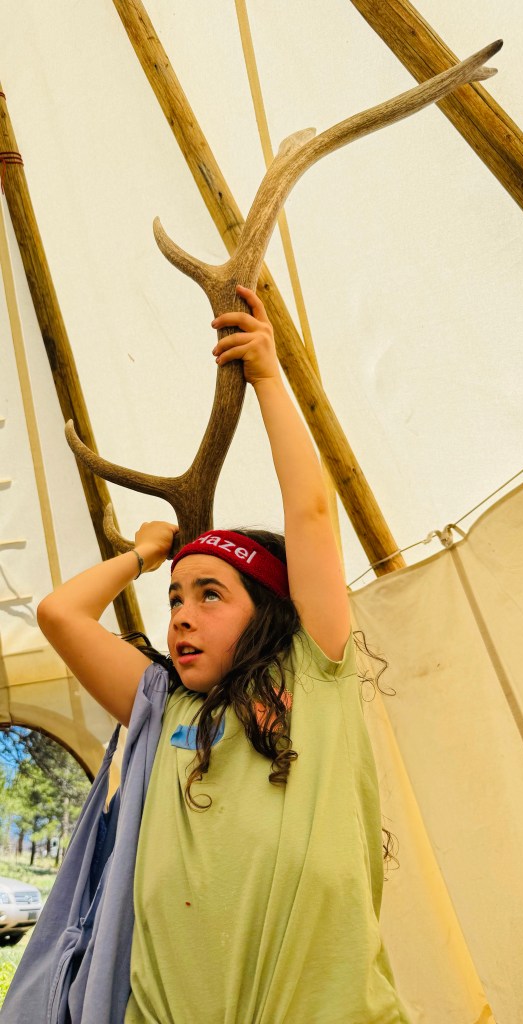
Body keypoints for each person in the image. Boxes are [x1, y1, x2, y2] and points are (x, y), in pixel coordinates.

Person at [8, 286, 410, 1023]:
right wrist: (141, 556)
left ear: (272, 611)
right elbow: (61, 614)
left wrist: (267, 377)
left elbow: (311, 511)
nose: (182, 616)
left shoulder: (313, 671)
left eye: (210, 595)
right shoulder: (164, 707)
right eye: (174, 600)